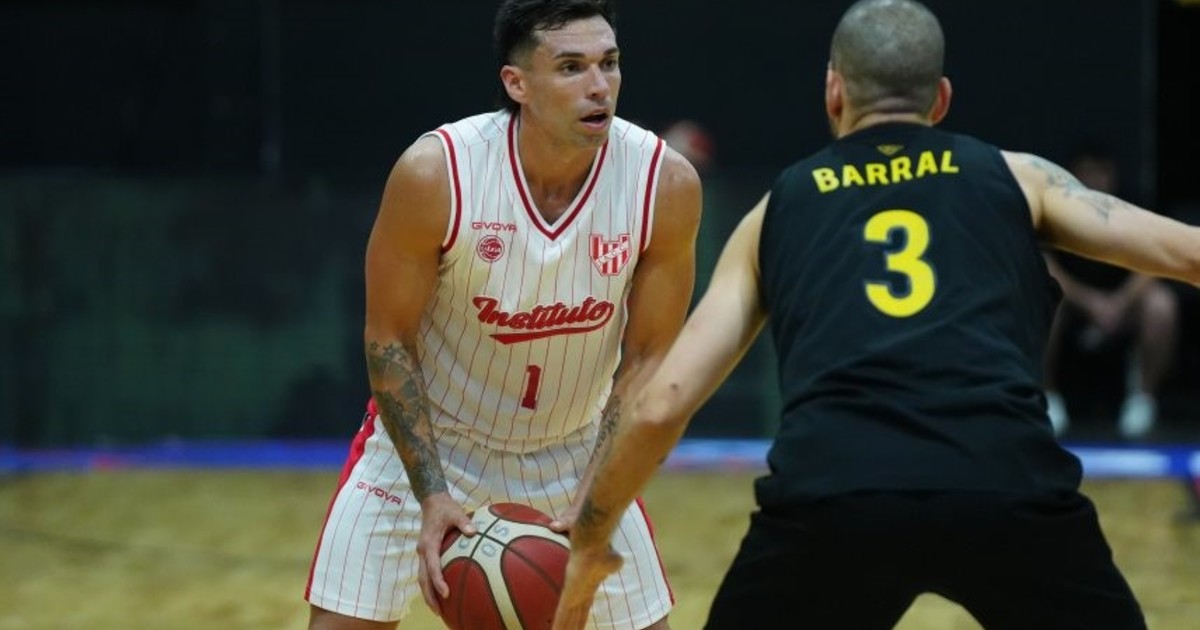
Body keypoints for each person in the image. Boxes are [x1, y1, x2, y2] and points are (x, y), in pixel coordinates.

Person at [551, 1, 1200, 628]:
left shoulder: (779, 209)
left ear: (834, 91)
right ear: (940, 99)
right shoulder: (1019, 178)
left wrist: (591, 540)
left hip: (834, 491)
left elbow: (663, 403)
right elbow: (1187, 254)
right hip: (1003, 479)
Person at [304, 1, 702, 628]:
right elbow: (388, 339)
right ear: (517, 84)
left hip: (576, 450)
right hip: (431, 444)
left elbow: (650, 356)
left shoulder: (665, 184)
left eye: (609, 63)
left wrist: (599, 491)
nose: (599, 85)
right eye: (571, 67)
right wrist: (432, 493)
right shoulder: (436, 173)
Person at [1043, 145, 1180, 439]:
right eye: (1087, 172)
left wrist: (1119, 302)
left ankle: (1143, 399)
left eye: (1102, 172)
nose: (1095, 180)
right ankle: (1047, 396)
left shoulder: (1132, 209)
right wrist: (1090, 302)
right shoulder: (1052, 210)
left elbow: (1155, 262)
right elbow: (1046, 266)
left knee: (1161, 304)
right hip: (1072, 304)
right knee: (1040, 299)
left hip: (1123, 307)